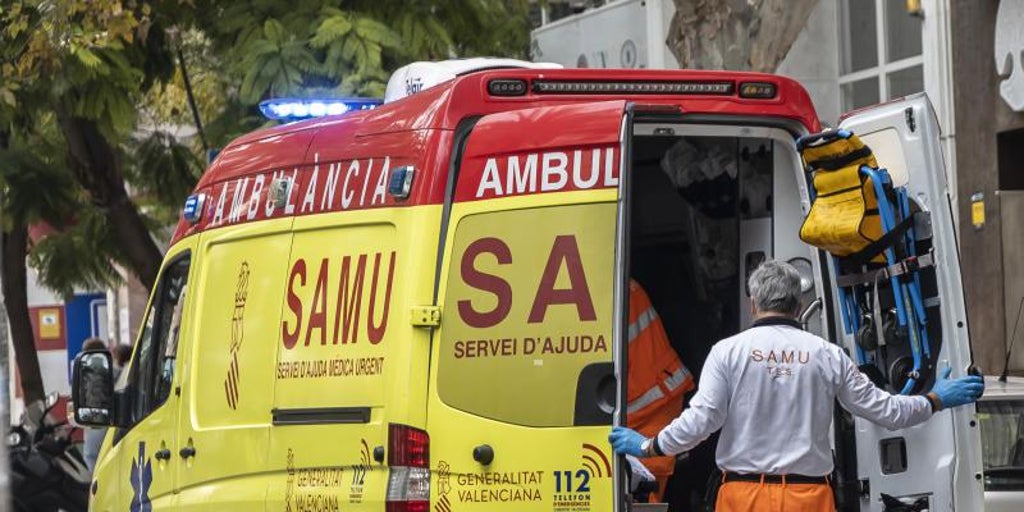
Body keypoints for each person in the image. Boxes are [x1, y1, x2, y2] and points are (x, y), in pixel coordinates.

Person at [609, 260, 985, 511]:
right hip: (809, 498)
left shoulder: (728, 352)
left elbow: (701, 422)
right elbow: (887, 411)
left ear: (752, 302)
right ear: (797, 302)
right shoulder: (827, 354)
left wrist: (648, 445)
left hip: (743, 498)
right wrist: (937, 398)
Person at [626, 279, 694, 501]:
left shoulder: (609, 284)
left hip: (650, 403)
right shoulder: (623, 285)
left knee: (643, 492)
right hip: (653, 396)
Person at [79, 337, 108, 472]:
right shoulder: (109, 367)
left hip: (95, 419)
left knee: (91, 458)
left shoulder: (88, 370)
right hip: (107, 418)